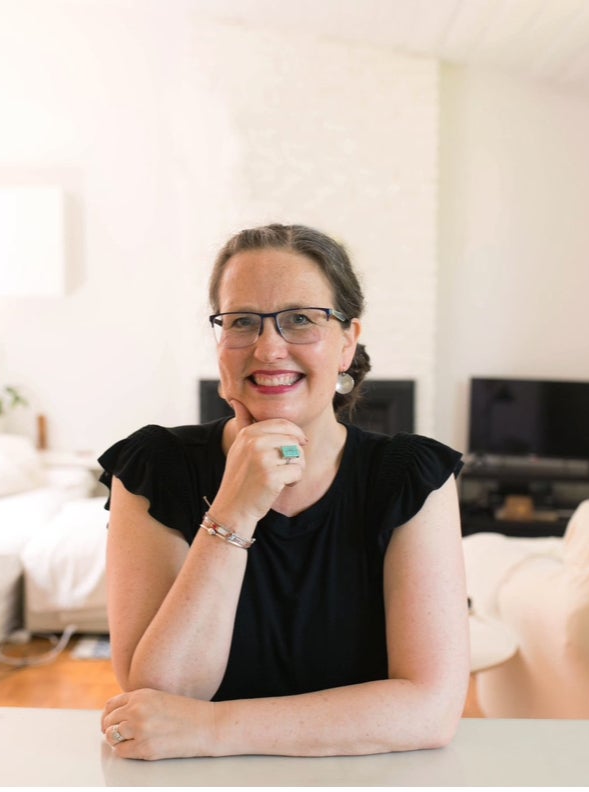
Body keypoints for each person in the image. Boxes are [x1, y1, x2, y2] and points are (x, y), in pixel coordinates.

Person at [97, 223, 469, 760]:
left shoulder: (411, 477)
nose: (269, 348)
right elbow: (161, 696)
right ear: (220, 342)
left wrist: (213, 728)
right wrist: (236, 509)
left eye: (300, 320)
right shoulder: (155, 466)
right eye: (243, 322)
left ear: (347, 342)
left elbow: (429, 710)